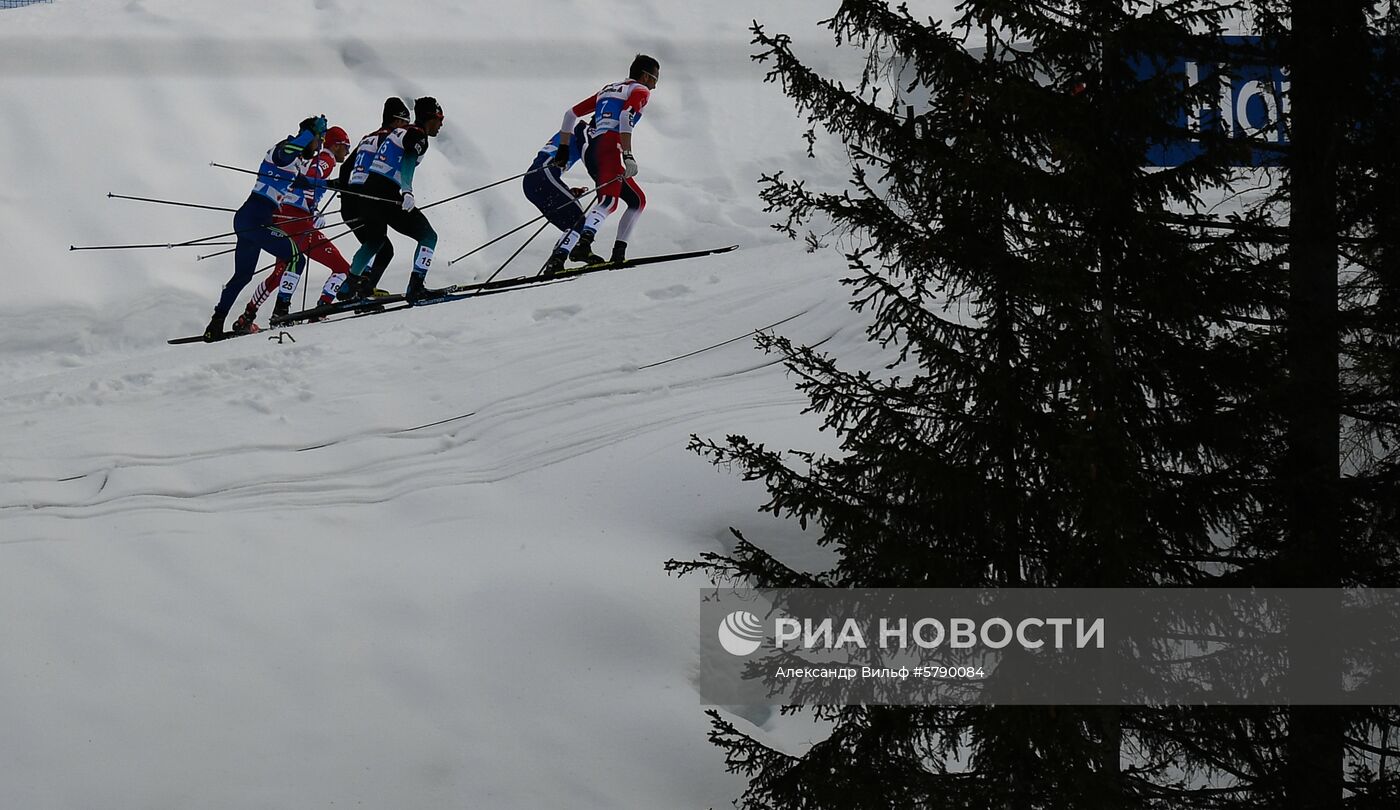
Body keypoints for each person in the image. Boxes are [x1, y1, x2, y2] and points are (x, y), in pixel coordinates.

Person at [204, 115, 328, 341]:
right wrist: (310, 133)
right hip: (256, 219)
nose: (319, 146)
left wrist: (330, 184)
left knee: (242, 276)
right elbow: (285, 153)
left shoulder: (297, 160)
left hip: (248, 219)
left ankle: (215, 324)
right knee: (297, 259)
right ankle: (281, 310)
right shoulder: (284, 149)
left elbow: (300, 182)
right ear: (308, 136)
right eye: (319, 140)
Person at [229, 125, 355, 333]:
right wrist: (311, 210)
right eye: (346, 146)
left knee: (280, 272)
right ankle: (317, 310)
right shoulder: (327, 159)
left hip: (280, 216)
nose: (347, 151)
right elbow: (311, 180)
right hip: (297, 219)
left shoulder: (308, 157)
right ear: (336, 145)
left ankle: (247, 316)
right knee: (342, 268)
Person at [338, 95, 447, 304]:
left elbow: (358, 164)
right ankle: (416, 287)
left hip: (366, 196)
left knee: (376, 241)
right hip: (387, 196)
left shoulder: (395, 132)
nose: (441, 123)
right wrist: (407, 191)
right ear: (429, 118)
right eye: (439, 118)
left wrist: (346, 190)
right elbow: (408, 157)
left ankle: (348, 287)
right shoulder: (417, 134)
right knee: (428, 236)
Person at [554, 54, 659, 267]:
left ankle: (615, 252)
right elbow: (625, 117)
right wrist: (627, 155)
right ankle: (583, 243)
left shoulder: (607, 89)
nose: (655, 86)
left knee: (637, 200)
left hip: (592, 150)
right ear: (646, 76)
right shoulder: (640, 90)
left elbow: (570, 114)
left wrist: (563, 148)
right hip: (610, 147)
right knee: (608, 202)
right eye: (655, 79)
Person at [335, 97, 411, 301]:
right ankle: (358, 290)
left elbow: (345, 168)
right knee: (382, 247)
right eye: (405, 123)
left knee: (379, 246)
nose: (406, 129)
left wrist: (344, 192)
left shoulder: (367, 138)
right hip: (366, 204)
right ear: (395, 121)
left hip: (349, 207)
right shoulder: (391, 140)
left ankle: (358, 288)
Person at [525, 117, 601, 275]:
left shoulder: (576, 132)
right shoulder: (582, 131)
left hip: (535, 182)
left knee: (572, 224)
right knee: (578, 220)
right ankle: (563, 257)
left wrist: (568, 191)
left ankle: (562, 258)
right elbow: (592, 158)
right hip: (544, 174)